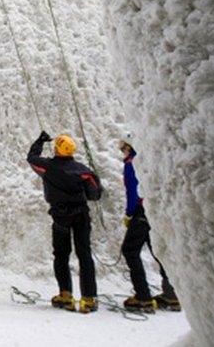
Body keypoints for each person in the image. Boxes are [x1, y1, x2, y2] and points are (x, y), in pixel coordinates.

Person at [26, 130, 103, 313]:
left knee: (61, 255)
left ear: (57, 149)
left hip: (60, 217)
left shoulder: (48, 167)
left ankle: (65, 295)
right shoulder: (83, 171)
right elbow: (95, 194)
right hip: (81, 216)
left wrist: (40, 141)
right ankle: (88, 299)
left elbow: (31, 158)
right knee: (84, 255)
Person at [118, 133, 181, 312]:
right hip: (155, 210)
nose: (122, 152)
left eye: (124, 148)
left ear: (130, 147)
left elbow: (132, 191)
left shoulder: (131, 164)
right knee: (159, 252)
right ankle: (172, 294)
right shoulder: (148, 162)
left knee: (130, 250)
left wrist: (130, 214)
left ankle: (143, 296)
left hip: (140, 212)